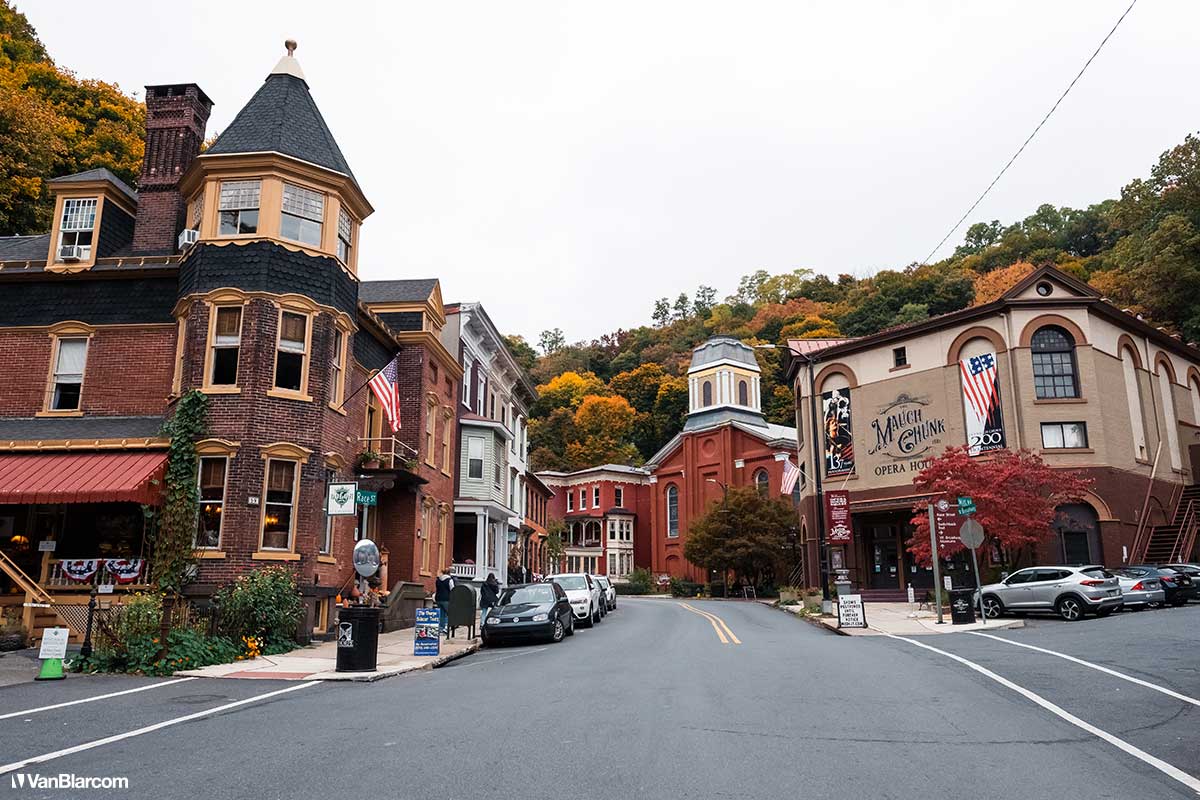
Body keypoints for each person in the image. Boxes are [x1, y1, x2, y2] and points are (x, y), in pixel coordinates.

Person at [435, 567, 454, 635]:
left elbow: (437, 589)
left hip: (438, 598)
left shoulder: (438, 580)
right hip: (446, 599)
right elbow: (452, 589)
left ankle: (441, 628)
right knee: (448, 614)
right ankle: (446, 628)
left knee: (441, 614)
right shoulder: (449, 580)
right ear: (449, 573)